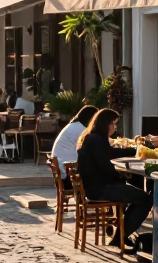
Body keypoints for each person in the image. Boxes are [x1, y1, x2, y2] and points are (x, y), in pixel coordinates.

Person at [77, 108, 152, 248]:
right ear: (106, 124)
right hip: (99, 188)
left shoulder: (93, 138)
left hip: (96, 186)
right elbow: (105, 168)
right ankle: (120, 237)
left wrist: (135, 151)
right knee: (145, 199)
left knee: (134, 195)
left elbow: (110, 153)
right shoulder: (96, 140)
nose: (115, 127)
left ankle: (123, 235)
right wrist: (123, 176)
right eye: (114, 123)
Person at [51, 104, 98, 180]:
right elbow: (93, 146)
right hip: (67, 171)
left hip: (63, 167)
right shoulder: (81, 130)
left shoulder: (75, 125)